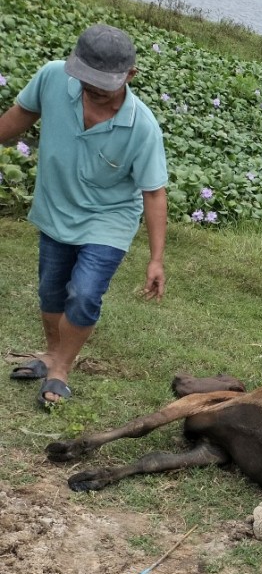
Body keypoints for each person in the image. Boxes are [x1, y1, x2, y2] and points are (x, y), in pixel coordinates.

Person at [1, 24, 168, 408]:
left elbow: (154, 193)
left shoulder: (142, 127)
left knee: (85, 293)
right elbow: (19, 115)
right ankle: (50, 354)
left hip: (108, 218)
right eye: (86, 80)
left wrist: (156, 259)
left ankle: (61, 369)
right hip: (56, 207)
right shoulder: (52, 77)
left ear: (130, 75)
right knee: (51, 290)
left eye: (103, 85)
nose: (92, 90)